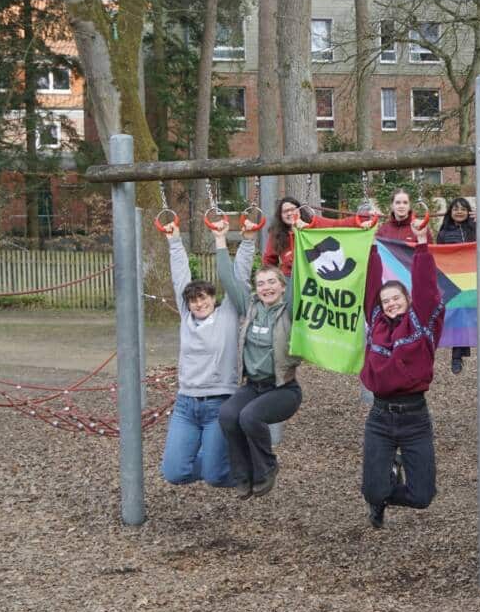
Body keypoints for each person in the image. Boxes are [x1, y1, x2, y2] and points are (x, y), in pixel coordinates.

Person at [158, 216, 257, 487]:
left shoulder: (228, 315)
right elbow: (180, 278)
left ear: (214, 298)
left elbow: (239, 279)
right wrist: (174, 240)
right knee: (174, 473)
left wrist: (242, 241)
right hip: (186, 404)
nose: (199, 303)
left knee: (216, 477)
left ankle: (245, 464)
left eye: (203, 297)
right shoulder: (187, 319)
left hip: (219, 402)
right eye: (193, 300)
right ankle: (220, 458)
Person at [358, 217, 442, 529]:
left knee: (422, 496)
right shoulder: (376, 322)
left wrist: (421, 246)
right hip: (379, 417)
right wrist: (370, 248)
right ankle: (382, 487)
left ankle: (389, 484)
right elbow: (370, 285)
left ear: (407, 301)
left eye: (397, 299)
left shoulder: (422, 323)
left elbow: (427, 290)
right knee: (372, 491)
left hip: (414, 417)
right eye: (385, 300)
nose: (391, 304)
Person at [219, 259, 304, 498]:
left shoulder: (288, 309)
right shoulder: (250, 306)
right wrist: (219, 239)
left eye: (272, 282)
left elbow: (300, 276)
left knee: (249, 416)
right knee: (227, 415)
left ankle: (267, 467)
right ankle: (243, 474)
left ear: (283, 287)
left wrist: (298, 233)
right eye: (261, 284)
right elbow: (227, 278)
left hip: (283, 389)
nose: (266, 288)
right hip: (253, 386)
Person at [263, 196, 373, 276]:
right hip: (290, 277)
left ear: (300, 210)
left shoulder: (314, 224)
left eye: (293, 209)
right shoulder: (276, 234)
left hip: (314, 275)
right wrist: (270, 279)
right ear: (280, 216)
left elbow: (336, 224)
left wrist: (361, 219)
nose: (290, 213)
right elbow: (269, 260)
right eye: (285, 211)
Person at [435, 197, 475, 375]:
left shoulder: (475, 229)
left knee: (472, 314)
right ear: (450, 212)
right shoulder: (444, 233)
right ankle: (457, 355)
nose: (459, 211)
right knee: (457, 314)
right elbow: (438, 255)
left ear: (469, 212)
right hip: (453, 280)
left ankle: (465, 350)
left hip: (473, 277)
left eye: (463, 208)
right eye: (455, 208)